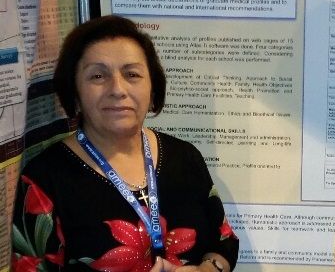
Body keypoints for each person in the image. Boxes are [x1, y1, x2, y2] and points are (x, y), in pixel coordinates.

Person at [11, 15, 238, 271]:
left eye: (132, 74)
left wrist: (207, 269)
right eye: (98, 76)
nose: (118, 89)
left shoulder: (185, 157)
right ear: (74, 92)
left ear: (152, 88)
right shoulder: (43, 180)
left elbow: (224, 241)